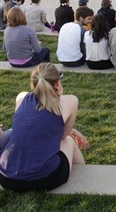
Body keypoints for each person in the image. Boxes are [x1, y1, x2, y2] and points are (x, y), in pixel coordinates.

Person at [0, 63, 88, 192]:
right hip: (41, 179)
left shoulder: (21, 98)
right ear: (58, 83)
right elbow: (62, 136)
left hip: (6, 178)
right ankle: (86, 177)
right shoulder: (70, 101)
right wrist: (72, 132)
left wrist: (72, 131)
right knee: (68, 141)